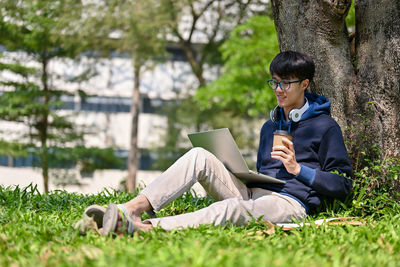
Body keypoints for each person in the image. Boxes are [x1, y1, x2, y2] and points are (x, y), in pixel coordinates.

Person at [83, 51, 353, 236]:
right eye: (274, 83)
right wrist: (242, 175)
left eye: (286, 84)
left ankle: (145, 228)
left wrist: (297, 170)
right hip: (254, 194)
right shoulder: (270, 126)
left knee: (229, 209)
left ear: (304, 84)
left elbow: (342, 185)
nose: (278, 90)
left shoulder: (325, 127)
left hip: (291, 204)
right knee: (199, 155)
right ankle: (130, 210)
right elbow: (265, 174)